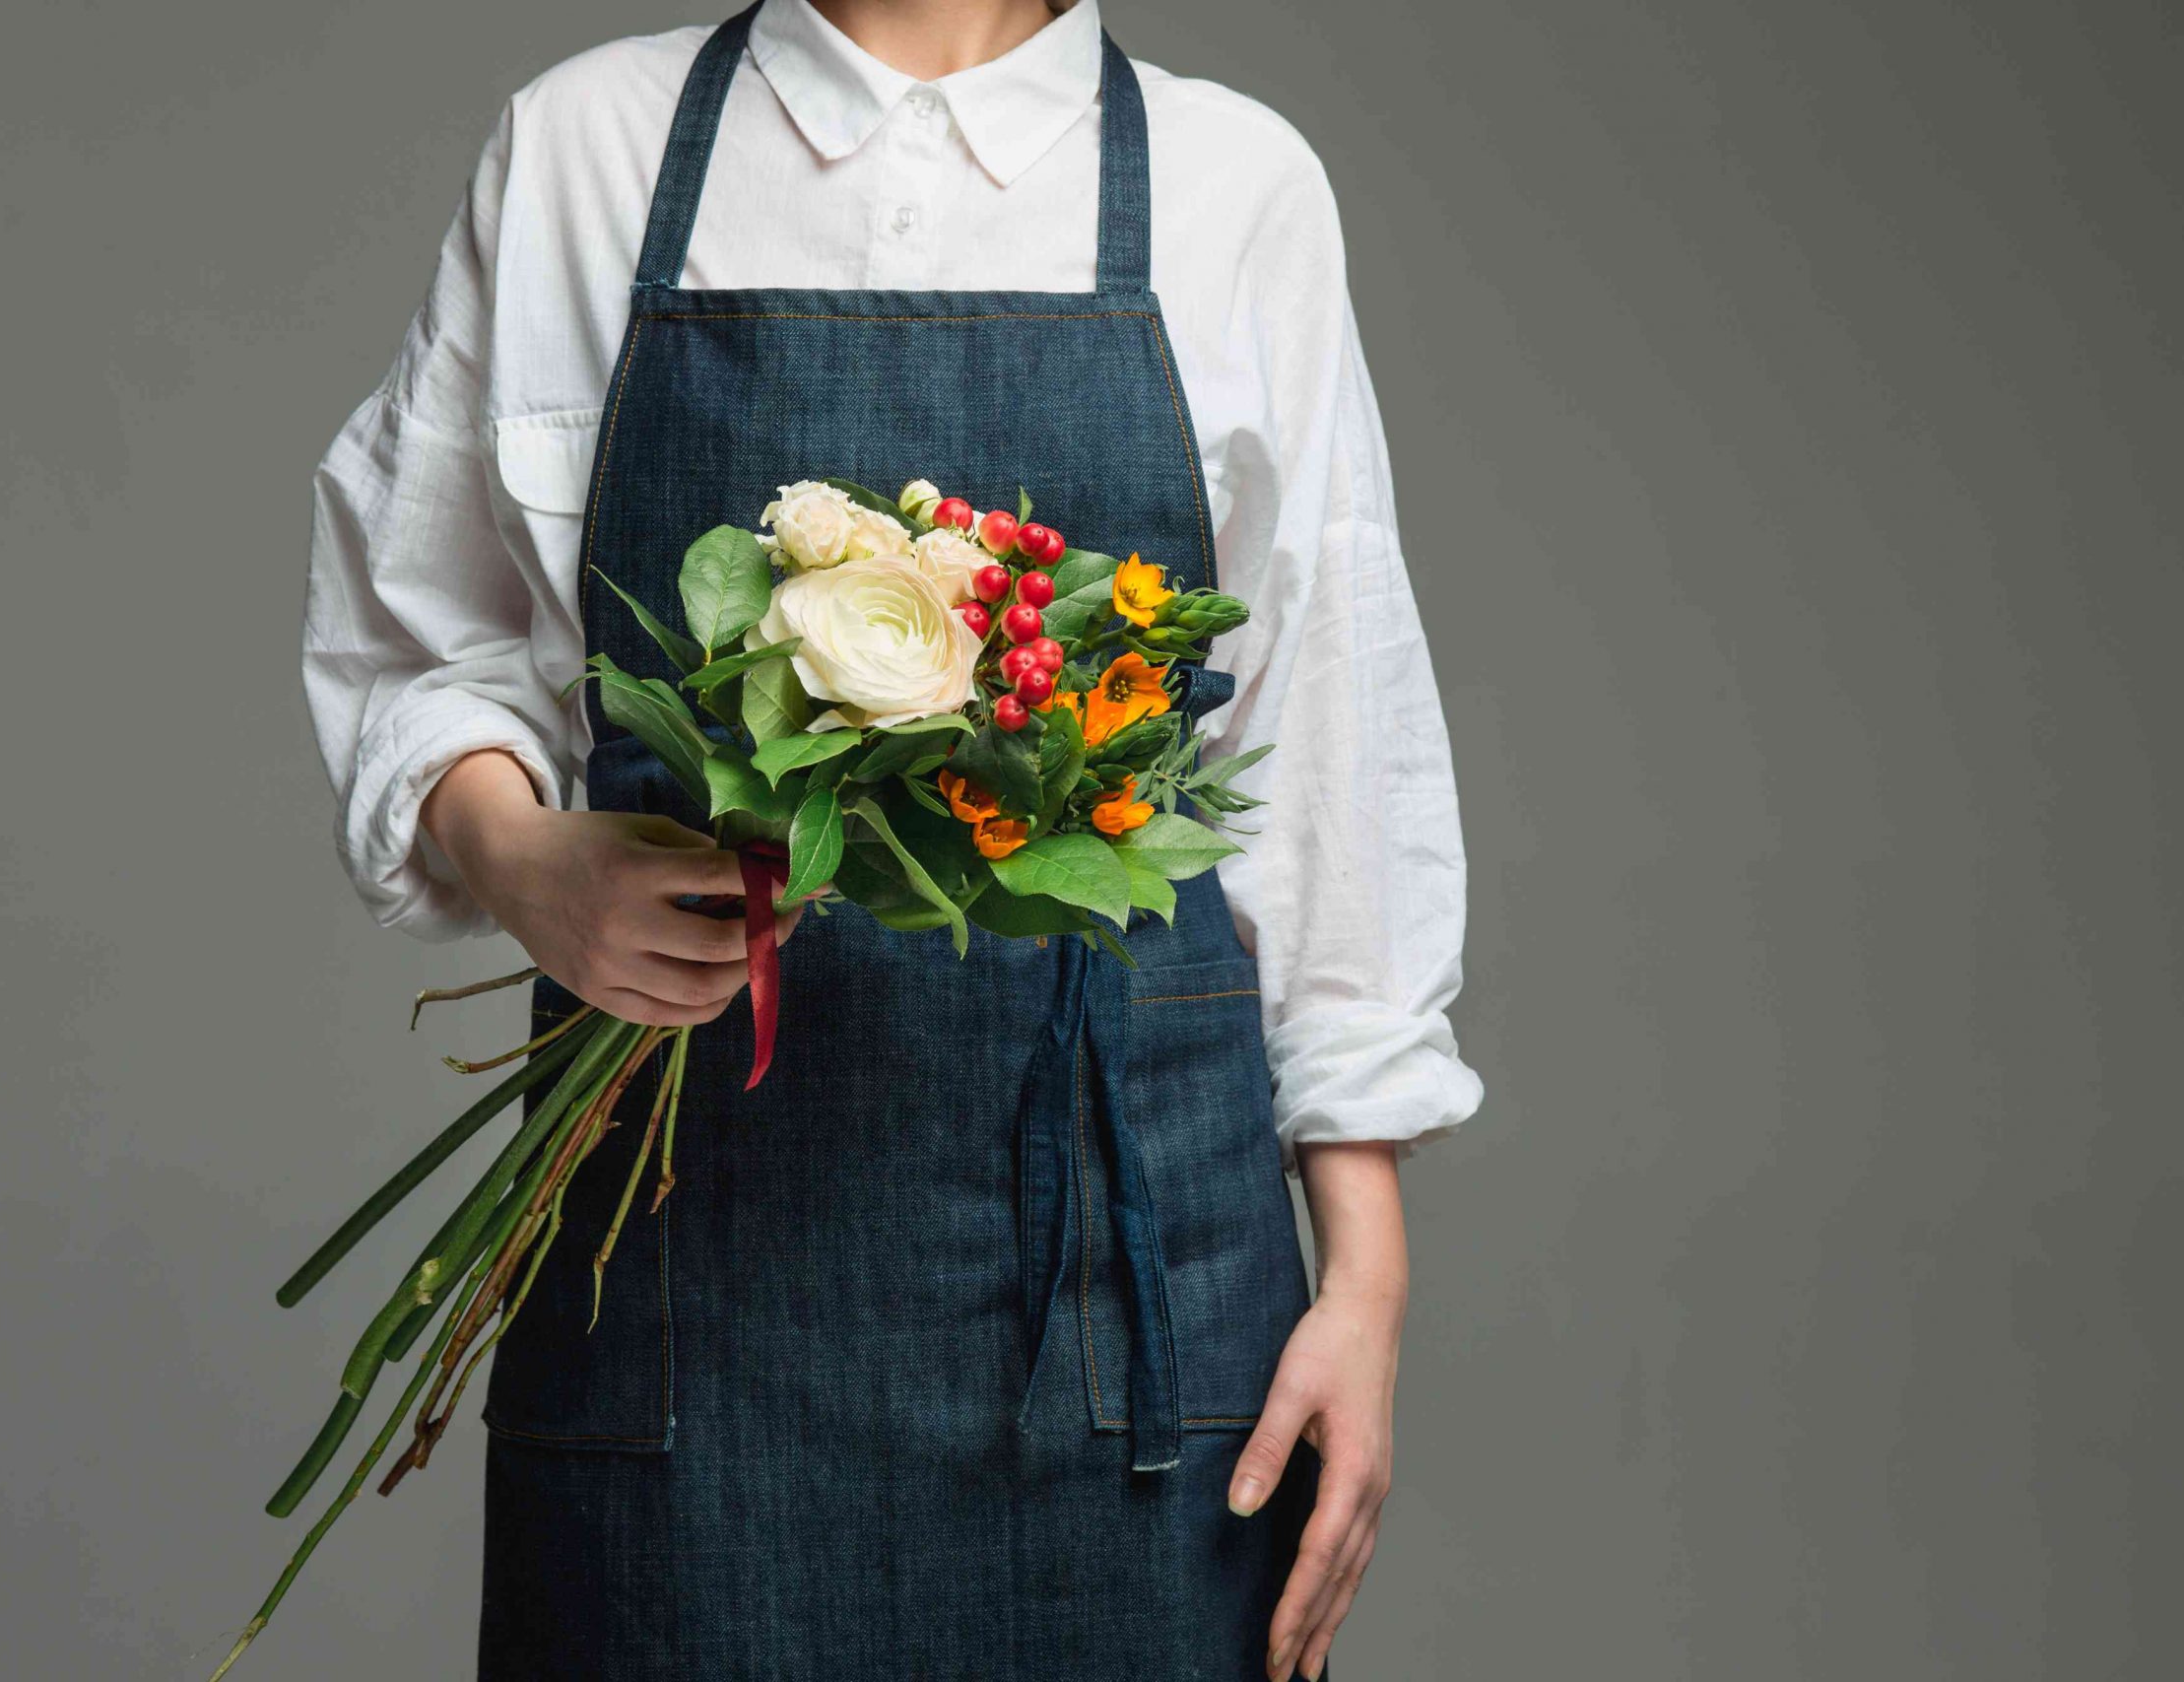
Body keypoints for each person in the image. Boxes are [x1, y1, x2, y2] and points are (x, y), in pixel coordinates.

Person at [300, 2, 1479, 1675]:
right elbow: (417, 636)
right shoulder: (591, 146)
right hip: (681, 1282)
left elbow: (1326, 761)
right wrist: (526, 860)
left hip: (1131, 1322)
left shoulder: (1237, 184)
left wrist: (1363, 1284)